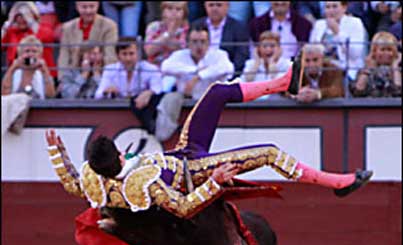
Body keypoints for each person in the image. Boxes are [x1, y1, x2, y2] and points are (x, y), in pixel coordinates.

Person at [46, 62, 372, 221]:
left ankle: (283, 82)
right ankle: (337, 183)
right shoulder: (143, 186)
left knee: (216, 91)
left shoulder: (93, 178)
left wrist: (55, 151)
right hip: (196, 171)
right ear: (118, 160)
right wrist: (213, 183)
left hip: (183, 152)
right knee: (270, 153)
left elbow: (71, 182)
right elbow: (184, 208)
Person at [95, 36, 163, 134]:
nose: (128, 58)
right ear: (118, 55)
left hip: (142, 115)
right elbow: (98, 94)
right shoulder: (110, 69)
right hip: (117, 117)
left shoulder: (150, 69)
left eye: (131, 54)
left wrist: (149, 93)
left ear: (138, 54)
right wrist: (107, 92)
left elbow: (159, 89)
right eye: (124, 54)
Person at [161, 25, 234, 100]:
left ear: (209, 43)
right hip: (185, 100)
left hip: (213, 100)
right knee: (170, 98)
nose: (199, 46)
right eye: (194, 41)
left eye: (203, 41)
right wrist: (194, 70)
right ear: (187, 43)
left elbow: (228, 68)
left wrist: (199, 76)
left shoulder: (219, 55)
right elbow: (165, 67)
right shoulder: (179, 55)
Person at [57, 1, 118, 81]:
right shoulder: (67, 27)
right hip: (73, 74)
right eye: (84, 7)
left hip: (100, 73)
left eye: (92, 6)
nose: (88, 11)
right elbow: (64, 56)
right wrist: (62, 79)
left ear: (98, 5)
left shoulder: (110, 26)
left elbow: (111, 56)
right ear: (77, 7)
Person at [309, 1, 367, 80]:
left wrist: (337, 32)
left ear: (344, 8)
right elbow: (311, 51)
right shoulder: (319, 24)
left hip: (346, 71)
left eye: (334, 6)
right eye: (328, 7)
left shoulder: (355, 23)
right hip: (321, 71)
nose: (331, 11)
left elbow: (355, 54)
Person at [192, 1, 249, 75]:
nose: (214, 8)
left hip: (226, 73)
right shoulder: (196, 25)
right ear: (205, 6)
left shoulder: (239, 27)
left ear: (227, 6)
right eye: (211, 5)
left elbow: (241, 55)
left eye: (219, 5)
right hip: (198, 72)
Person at [1, 1, 56, 76]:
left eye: (25, 15)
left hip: (42, 73)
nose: (21, 19)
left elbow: (45, 37)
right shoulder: (12, 32)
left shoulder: (44, 28)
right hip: (16, 73)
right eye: (18, 15)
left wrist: (31, 21)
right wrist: (7, 25)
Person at [1, 34, 55, 98]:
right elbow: (4, 95)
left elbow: (51, 96)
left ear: (40, 55)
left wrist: (45, 71)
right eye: (27, 51)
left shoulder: (43, 73)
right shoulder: (13, 72)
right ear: (20, 54)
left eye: (34, 51)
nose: (30, 54)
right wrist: (12, 68)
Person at [241, 30, 292, 99]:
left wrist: (272, 62)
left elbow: (281, 85)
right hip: (254, 103)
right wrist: (256, 63)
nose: (268, 49)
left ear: (279, 48)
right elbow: (245, 81)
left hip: (278, 103)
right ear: (259, 49)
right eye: (264, 46)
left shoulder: (287, 64)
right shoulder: (250, 63)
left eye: (272, 46)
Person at [350, 31, 401, 97]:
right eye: (382, 50)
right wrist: (368, 70)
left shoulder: (399, 70)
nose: (386, 53)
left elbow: (399, 92)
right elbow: (357, 92)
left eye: (389, 50)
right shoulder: (365, 70)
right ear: (374, 51)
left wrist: (395, 67)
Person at [144, 1, 189, 67]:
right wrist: (169, 33)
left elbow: (184, 52)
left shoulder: (188, 30)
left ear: (184, 13)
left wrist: (163, 41)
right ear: (163, 12)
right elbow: (149, 51)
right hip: (154, 67)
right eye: (170, 8)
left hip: (179, 68)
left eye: (178, 9)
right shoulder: (154, 26)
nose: (174, 12)